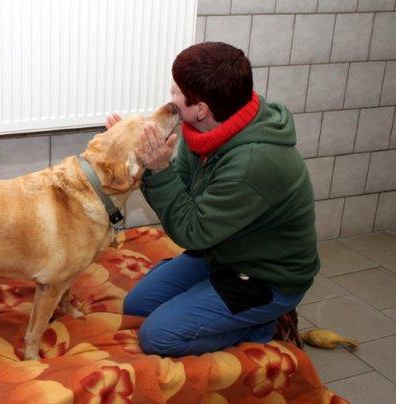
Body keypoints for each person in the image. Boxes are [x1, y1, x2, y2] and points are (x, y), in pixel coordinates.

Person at [107, 41, 319, 357]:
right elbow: (181, 189)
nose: (171, 98)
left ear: (202, 109)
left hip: (264, 278)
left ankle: (266, 326)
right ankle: (206, 299)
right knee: (137, 305)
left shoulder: (252, 164)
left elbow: (191, 232)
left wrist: (158, 169)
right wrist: (148, 161)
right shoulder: (207, 131)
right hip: (221, 253)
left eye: (176, 93)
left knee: (157, 337)